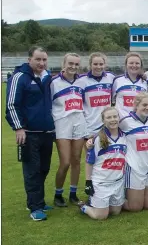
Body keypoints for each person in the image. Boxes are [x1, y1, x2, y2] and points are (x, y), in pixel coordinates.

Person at [5, 46, 55, 221]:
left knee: (44, 168)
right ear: (29, 60)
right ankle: (34, 207)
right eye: (38, 59)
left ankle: (38, 202)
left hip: (47, 132)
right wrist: (19, 128)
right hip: (29, 134)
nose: (41, 63)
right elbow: (11, 105)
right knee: (32, 171)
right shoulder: (20, 77)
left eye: (44, 60)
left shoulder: (46, 77)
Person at [50, 53, 86, 207]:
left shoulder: (82, 81)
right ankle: (58, 194)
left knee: (76, 160)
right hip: (61, 123)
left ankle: (73, 194)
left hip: (79, 121)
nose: (73, 66)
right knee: (65, 162)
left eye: (76, 64)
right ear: (64, 63)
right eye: (70, 63)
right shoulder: (53, 82)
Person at [80, 107, 125, 220]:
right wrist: (88, 182)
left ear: (119, 118)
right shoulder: (97, 139)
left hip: (117, 182)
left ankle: (98, 202)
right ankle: (84, 206)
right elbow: (89, 162)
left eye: (115, 116)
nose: (112, 119)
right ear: (103, 120)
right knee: (101, 216)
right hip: (101, 183)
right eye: (108, 117)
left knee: (115, 212)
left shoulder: (125, 136)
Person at [120, 92, 148, 212]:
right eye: (144, 105)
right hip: (134, 167)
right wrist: (91, 142)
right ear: (136, 105)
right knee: (135, 208)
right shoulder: (125, 122)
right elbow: (107, 131)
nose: (147, 108)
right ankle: (112, 201)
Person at [82, 52, 115, 139]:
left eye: (101, 64)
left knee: (107, 151)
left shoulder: (110, 77)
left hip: (107, 123)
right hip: (90, 124)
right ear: (90, 64)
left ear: (105, 65)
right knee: (91, 152)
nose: (98, 67)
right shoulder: (82, 80)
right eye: (95, 64)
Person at [112, 52, 147, 119]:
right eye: (131, 63)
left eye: (137, 63)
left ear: (141, 66)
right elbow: (112, 101)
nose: (134, 65)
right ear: (126, 65)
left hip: (138, 121)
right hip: (122, 122)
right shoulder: (117, 80)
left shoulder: (144, 82)